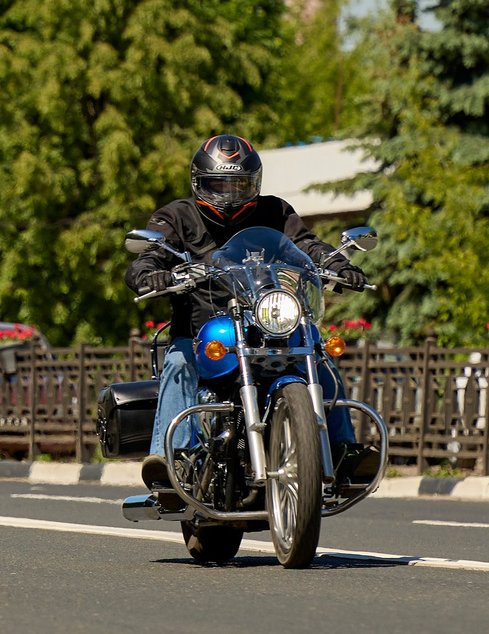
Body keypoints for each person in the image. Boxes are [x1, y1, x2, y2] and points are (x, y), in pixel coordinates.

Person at [128, 134, 375, 501]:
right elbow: (150, 254)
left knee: (316, 353)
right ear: (199, 182)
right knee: (179, 363)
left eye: (239, 185)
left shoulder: (275, 211)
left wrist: (337, 262)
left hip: (267, 323)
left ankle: (343, 452)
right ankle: (170, 463)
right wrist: (151, 272)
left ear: (254, 183)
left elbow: (306, 244)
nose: (228, 195)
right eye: (218, 184)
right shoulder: (176, 216)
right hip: (203, 330)